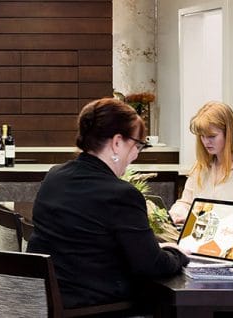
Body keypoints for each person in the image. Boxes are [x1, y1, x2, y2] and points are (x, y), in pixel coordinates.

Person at [26, 98, 189, 309]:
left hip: (47, 303)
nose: (136, 155)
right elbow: (151, 266)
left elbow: (89, 244)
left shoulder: (55, 176)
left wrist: (157, 249)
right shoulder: (121, 194)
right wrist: (178, 253)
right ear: (117, 142)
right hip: (94, 309)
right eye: (137, 145)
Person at [170, 101, 233, 224]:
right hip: (201, 238)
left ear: (229, 134)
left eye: (212, 136)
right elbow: (185, 203)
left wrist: (197, 220)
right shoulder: (202, 166)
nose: (206, 142)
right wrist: (175, 215)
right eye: (202, 136)